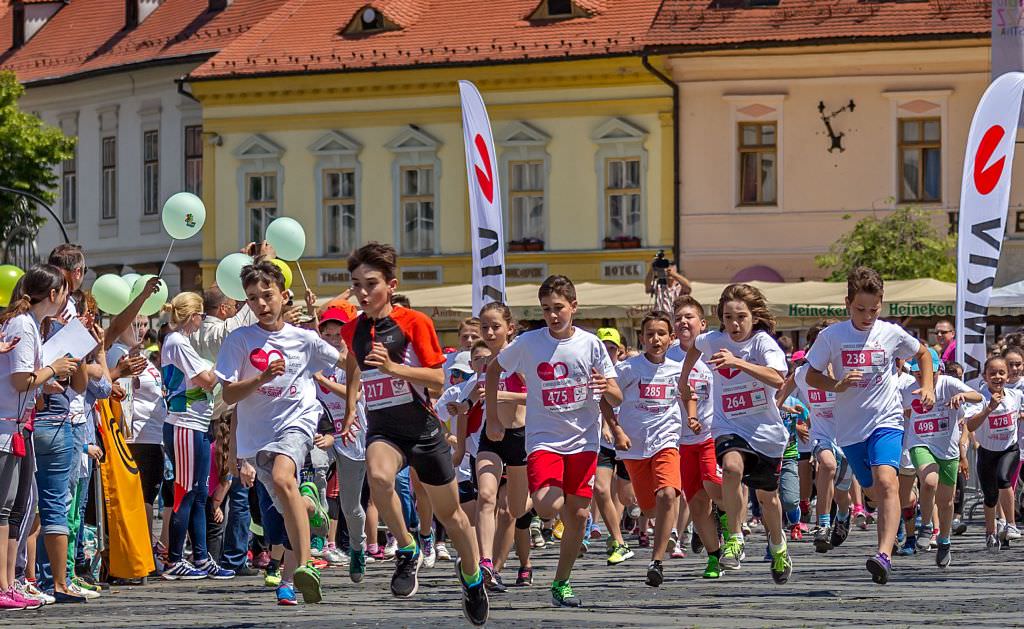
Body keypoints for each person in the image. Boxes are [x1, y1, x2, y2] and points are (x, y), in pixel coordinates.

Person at [338, 243, 488, 625]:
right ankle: (406, 547)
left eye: (370, 284)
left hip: (423, 429)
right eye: (356, 284)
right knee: (379, 476)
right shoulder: (353, 328)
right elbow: (355, 367)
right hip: (385, 429)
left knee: (452, 517)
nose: (362, 292)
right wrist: (353, 405)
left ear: (391, 285)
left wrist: (393, 369)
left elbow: (439, 380)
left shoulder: (414, 322)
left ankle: (472, 580)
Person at [486, 274, 622, 608]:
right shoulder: (530, 343)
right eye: (546, 309)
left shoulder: (590, 344)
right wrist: (491, 416)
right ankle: (552, 524)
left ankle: (562, 582)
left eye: (558, 308)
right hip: (544, 440)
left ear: (573, 307)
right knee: (547, 504)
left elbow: (616, 396)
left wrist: (607, 389)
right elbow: (492, 369)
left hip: (584, 442)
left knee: (576, 516)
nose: (553, 315)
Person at [216, 260, 340, 604]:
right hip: (258, 438)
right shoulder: (240, 340)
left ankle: (304, 567)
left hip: (297, 422)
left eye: (267, 295)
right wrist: (260, 379)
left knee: (286, 479)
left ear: (285, 296)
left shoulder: (304, 339)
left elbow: (343, 361)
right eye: (253, 298)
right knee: (289, 506)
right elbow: (229, 396)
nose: (262, 304)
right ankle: (310, 512)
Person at [804, 266, 934, 584]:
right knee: (875, 491)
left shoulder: (889, 333)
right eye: (860, 309)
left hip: (886, 420)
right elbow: (810, 375)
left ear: (881, 304)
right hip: (849, 430)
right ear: (848, 303)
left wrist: (927, 385)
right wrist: (836, 384)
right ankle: (855, 512)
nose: (867, 316)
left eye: (873, 310)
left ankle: (883, 555)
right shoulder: (832, 336)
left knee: (887, 482)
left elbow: (923, 353)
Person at [678, 284, 792, 585]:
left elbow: (778, 378)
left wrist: (737, 362)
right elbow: (694, 347)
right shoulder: (713, 339)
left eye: (741, 317)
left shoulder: (762, 343)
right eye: (728, 317)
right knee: (731, 468)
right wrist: (683, 379)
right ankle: (735, 537)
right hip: (729, 425)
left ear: (754, 317)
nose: (735, 324)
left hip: (766, 431)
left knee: (768, 499)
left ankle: (778, 545)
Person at [0, 266, 76, 607]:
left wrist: (47, 376)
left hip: (17, 425)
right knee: (5, 510)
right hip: (6, 426)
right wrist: (52, 370)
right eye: (63, 292)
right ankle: (4, 584)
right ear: (53, 294)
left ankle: (9, 582)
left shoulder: (30, 324)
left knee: (17, 509)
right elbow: (20, 380)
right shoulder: (22, 325)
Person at [604, 311, 683, 587]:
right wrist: (616, 430)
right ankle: (651, 520)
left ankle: (657, 561)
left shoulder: (677, 370)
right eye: (650, 334)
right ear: (642, 338)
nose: (655, 339)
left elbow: (691, 396)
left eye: (661, 333)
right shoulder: (628, 369)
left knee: (668, 495)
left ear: (671, 338)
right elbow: (606, 396)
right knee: (648, 509)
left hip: (666, 442)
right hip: (635, 446)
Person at [161, 292, 234, 581]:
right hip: (184, 424)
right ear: (193, 316)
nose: (202, 321)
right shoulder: (177, 341)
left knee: (200, 493)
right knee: (187, 492)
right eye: (201, 316)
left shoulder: (181, 340)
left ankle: (202, 556)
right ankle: (175, 558)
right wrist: (224, 364)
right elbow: (206, 379)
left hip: (197, 423)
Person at [898, 348, 980, 568]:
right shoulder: (906, 387)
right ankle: (925, 525)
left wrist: (962, 395)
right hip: (919, 443)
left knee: (945, 502)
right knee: (929, 480)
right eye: (917, 374)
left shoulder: (947, 383)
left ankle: (944, 541)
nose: (922, 377)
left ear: (938, 370)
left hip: (948, 449)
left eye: (928, 373)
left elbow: (978, 396)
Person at [781, 321, 854, 554]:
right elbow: (780, 396)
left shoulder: (846, 371)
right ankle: (822, 525)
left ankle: (843, 515)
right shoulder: (803, 373)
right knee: (827, 465)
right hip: (820, 434)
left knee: (843, 494)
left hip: (848, 435)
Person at [472, 303, 531, 592]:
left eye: (495, 326)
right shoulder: (484, 364)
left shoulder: (519, 360)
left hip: (520, 437)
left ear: (510, 328)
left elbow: (536, 396)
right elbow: (475, 394)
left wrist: (500, 395)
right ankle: (485, 564)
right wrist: (463, 405)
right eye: (484, 327)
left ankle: (497, 565)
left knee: (514, 510)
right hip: (491, 437)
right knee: (486, 496)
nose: (489, 332)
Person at [667, 295, 724, 579]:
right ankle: (714, 558)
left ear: (702, 323)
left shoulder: (715, 352)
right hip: (680, 441)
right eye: (678, 318)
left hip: (713, 433)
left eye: (689, 317)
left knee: (714, 486)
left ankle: (729, 519)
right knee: (697, 502)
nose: (683, 322)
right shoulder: (666, 356)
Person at [314, 306, 369, 583]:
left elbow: (355, 393)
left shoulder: (355, 361)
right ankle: (317, 533)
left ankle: (358, 547)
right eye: (328, 334)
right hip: (320, 433)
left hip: (351, 434)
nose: (334, 340)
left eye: (339, 335)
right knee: (314, 470)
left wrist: (322, 380)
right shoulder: (314, 359)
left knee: (350, 505)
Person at [965, 355, 1022, 551]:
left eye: (1001, 373)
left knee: (1003, 479)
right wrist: (989, 408)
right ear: (985, 376)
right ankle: (990, 532)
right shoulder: (979, 398)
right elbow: (970, 425)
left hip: (1010, 448)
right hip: (987, 452)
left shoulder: (1016, 396)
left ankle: (1011, 524)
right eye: (992, 374)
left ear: (1008, 375)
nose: (997, 377)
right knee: (990, 496)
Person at [593, 327, 634, 566]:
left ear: (620, 350)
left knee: (628, 496)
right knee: (600, 488)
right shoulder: (590, 371)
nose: (607, 352)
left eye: (611, 348)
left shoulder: (627, 370)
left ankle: (627, 520)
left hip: (629, 439)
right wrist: (605, 427)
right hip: (603, 440)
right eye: (602, 348)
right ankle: (618, 540)